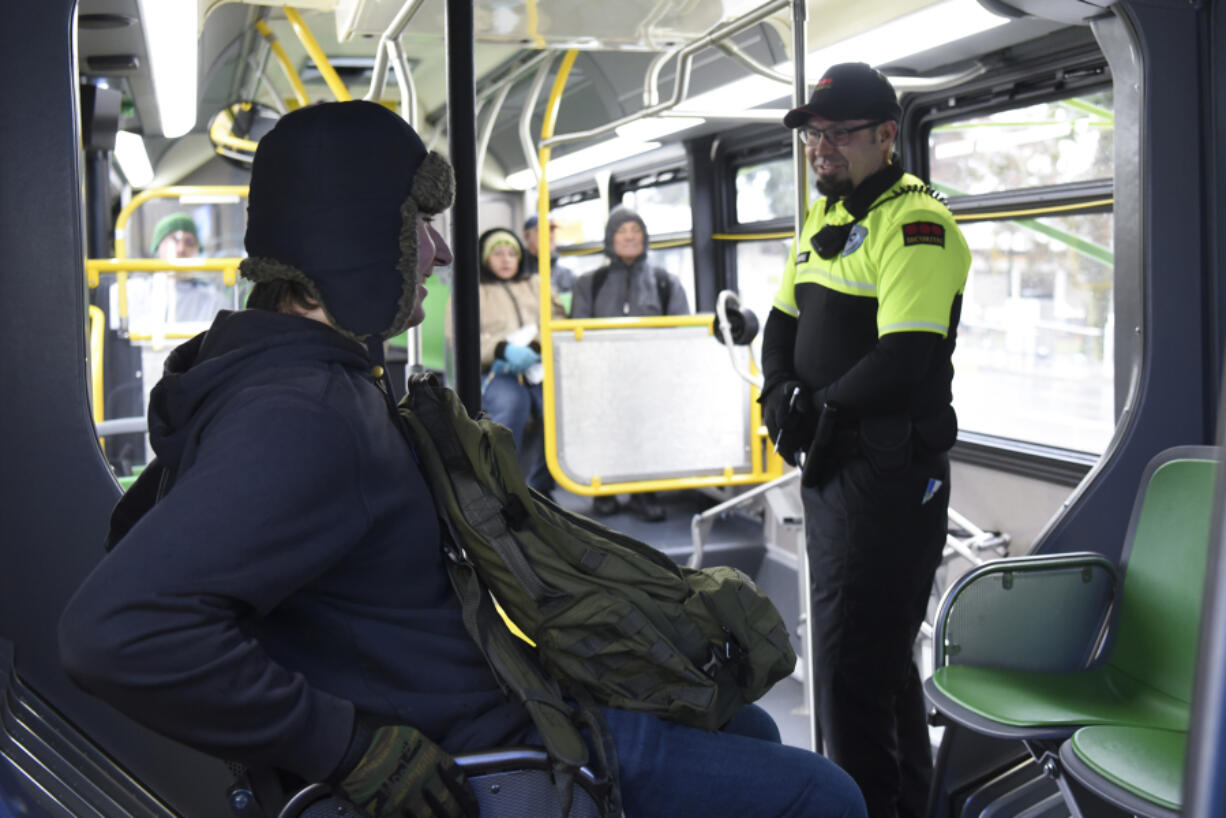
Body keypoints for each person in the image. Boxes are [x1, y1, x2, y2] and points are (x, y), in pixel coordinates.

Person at [57, 100, 866, 818]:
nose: (441, 253)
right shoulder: (302, 416)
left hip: (492, 686)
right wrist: (348, 747)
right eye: (419, 224)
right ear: (353, 236)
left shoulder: (283, 375)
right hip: (480, 743)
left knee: (749, 720)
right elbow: (115, 630)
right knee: (826, 795)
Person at [760, 63, 971, 818]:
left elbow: (904, 353)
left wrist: (815, 410)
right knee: (873, 662)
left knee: (855, 669)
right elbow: (781, 321)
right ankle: (904, 804)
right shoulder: (826, 218)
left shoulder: (915, 223)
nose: (822, 148)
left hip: (885, 472)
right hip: (834, 468)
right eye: (815, 134)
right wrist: (777, 390)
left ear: (887, 136)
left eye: (839, 134)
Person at [570, 206, 690, 521]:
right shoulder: (589, 283)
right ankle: (604, 490)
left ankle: (643, 492)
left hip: (650, 375)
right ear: (611, 239)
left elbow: (681, 333)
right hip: (602, 374)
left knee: (646, 429)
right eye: (622, 231)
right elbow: (576, 331)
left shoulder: (666, 282)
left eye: (636, 231)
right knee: (601, 426)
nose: (630, 237)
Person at [448, 227, 565, 497]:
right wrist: (501, 350)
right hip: (494, 371)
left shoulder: (536, 284)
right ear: (486, 259)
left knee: (556, 407)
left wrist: (536, 347)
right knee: (512, 406)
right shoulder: (470, 290)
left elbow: (557, 319)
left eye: (511, 253)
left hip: (539, 365)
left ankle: (541, 486)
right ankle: (503, 486)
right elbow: (459, 335)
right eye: (498, 253)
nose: (505, 259)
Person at [522, 214, 575, 297]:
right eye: (543, 230)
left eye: (552, 230)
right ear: (526, 236)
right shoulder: (516, 272)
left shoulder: (567, 275)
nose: (550, 236)